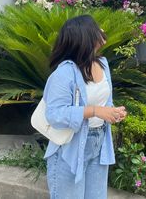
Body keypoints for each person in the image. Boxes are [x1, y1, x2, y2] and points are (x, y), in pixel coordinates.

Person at [43, 15, 127, 199]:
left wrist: (113, 112)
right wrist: (95, 111)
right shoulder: (65, 72)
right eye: (96, 28)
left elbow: (106, 101)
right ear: (86, 37)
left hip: (99, 143)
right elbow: (54, 114)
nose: (102, 31)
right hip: (69, 149)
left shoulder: (102, 64)